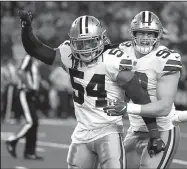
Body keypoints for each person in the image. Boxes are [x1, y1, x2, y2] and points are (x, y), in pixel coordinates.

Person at [18, 10, 147, 168]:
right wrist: (26, 27)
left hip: (109, 131)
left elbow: (140, 96)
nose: (85, 48)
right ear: (72, 42)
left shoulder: (114, 59)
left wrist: (153, 131)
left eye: (90, 42)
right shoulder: (69, 56)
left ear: (101, 39)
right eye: (80, 43)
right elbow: (36, 49)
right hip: (82, 133)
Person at [104, 11, 182, 169]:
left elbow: (164, 107)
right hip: (135, 129)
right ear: (132, 34)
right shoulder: (123, 50)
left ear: (158, 35)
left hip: (162, 130)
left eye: (150, 34)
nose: (146, 38)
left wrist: (127, 107)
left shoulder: (166, 58)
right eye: (141, 33)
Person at [5, 54, 43, 160]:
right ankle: (12, 140)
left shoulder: (35, 61)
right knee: (30, 122)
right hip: (25, 93)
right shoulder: (28, 57)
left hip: (32, 94)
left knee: (34, 122)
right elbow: (20, 71)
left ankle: (30, 152)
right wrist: (29, 86)